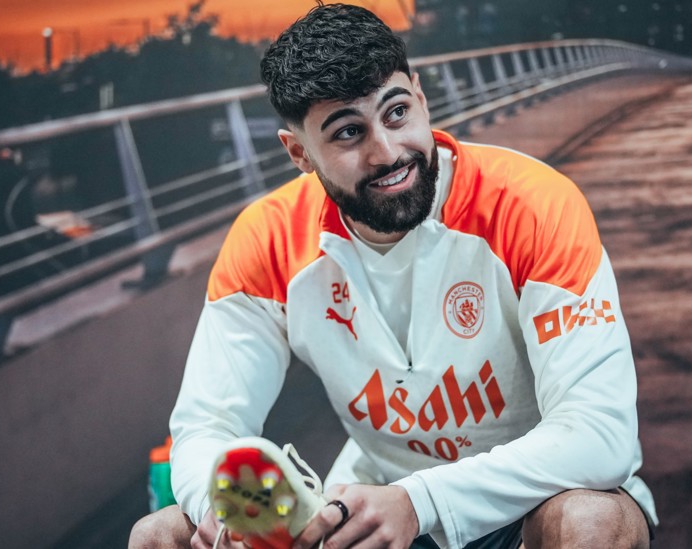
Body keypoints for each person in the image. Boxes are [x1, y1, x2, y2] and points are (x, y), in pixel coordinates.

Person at [130, 4, 657, 548]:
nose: (387, 151)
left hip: (531, 499)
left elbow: (600, 436)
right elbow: (206, 426)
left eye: (397, 112)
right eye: (348, 132)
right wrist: (218, 511)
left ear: (422, 100)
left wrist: (421, 501)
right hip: (376, 505)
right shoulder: (267, 240)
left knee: (594, 523)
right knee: (159, 533)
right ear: (299, 154)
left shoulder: (532, 204)